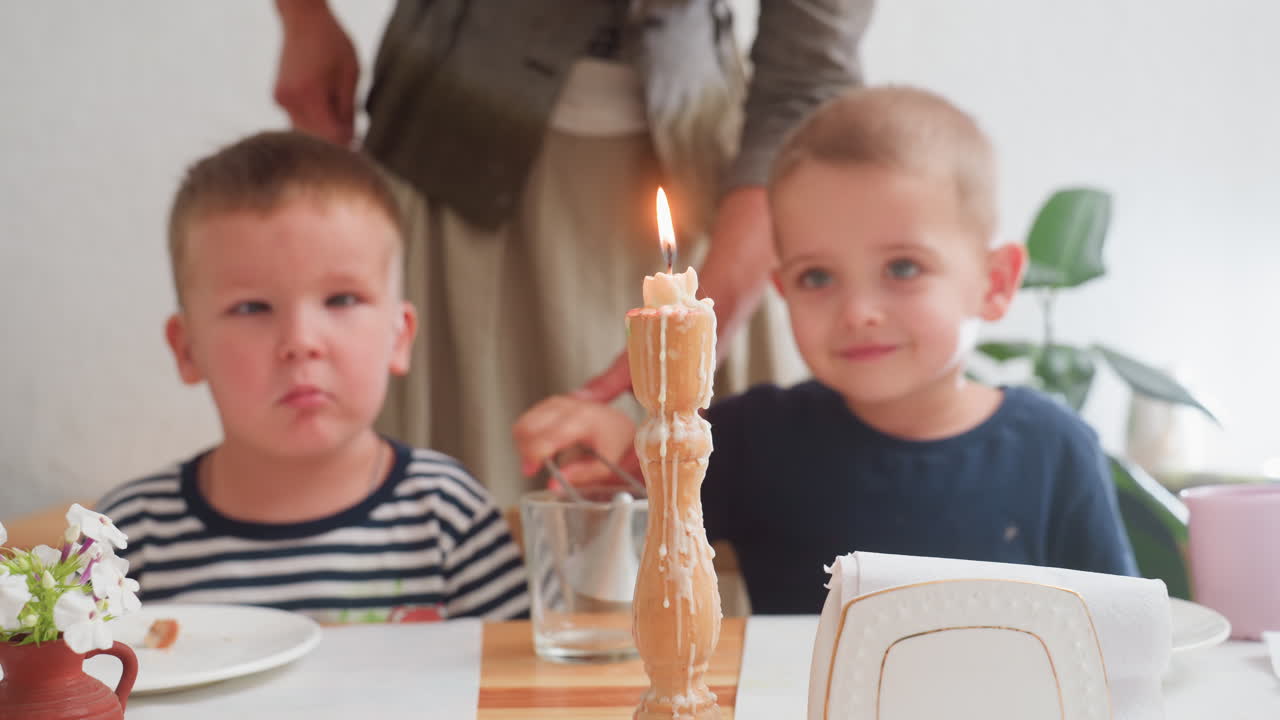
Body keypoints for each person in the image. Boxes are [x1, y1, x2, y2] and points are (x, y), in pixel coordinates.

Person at [513, 86, 1139, 614]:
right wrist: (617, 462)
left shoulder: (1055, 449)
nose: (857, 311)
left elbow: (1126, 640)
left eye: (902, 267)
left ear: (996, 282)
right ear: (782, 289)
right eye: (818, 277)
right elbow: (611, 583)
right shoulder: (746, 440)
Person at [272, 0, 874, 507]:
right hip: (453, 157)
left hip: (709, 197)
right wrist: (305, 19)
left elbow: (807, 83)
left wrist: (703, 330)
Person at [96, 131, 529, 624]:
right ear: (187, 348)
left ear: (400, 336)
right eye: (252, 307)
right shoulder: (127, 538)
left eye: (342, 299)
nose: (301, 341)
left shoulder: (449, 514)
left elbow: (515, 695)